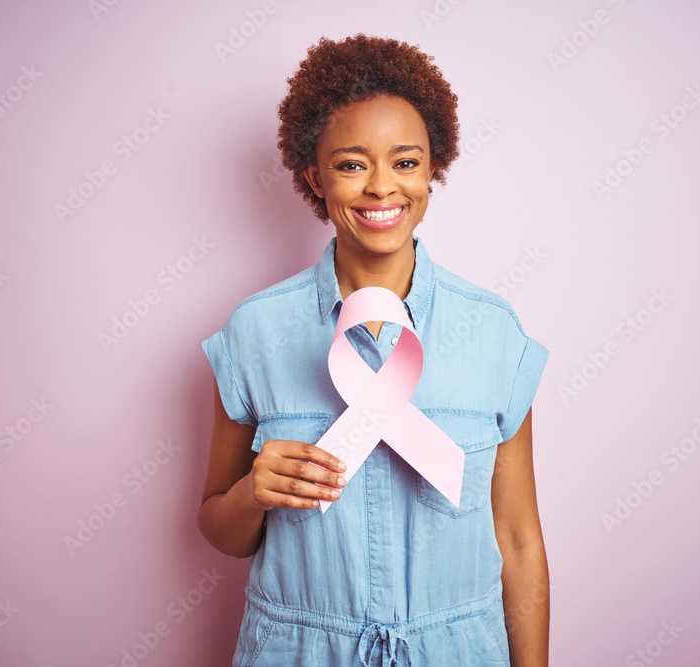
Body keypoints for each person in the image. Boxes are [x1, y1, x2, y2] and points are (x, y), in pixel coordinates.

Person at [198, 34, 550, 666]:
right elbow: (219, 529)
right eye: (353, 164)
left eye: (406, 163)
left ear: (432, 171)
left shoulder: (495, 334)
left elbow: (519, 539)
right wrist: (254, 492)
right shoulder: (255, 332)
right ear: (316, 177)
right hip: (299, 651)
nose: (382, 188)